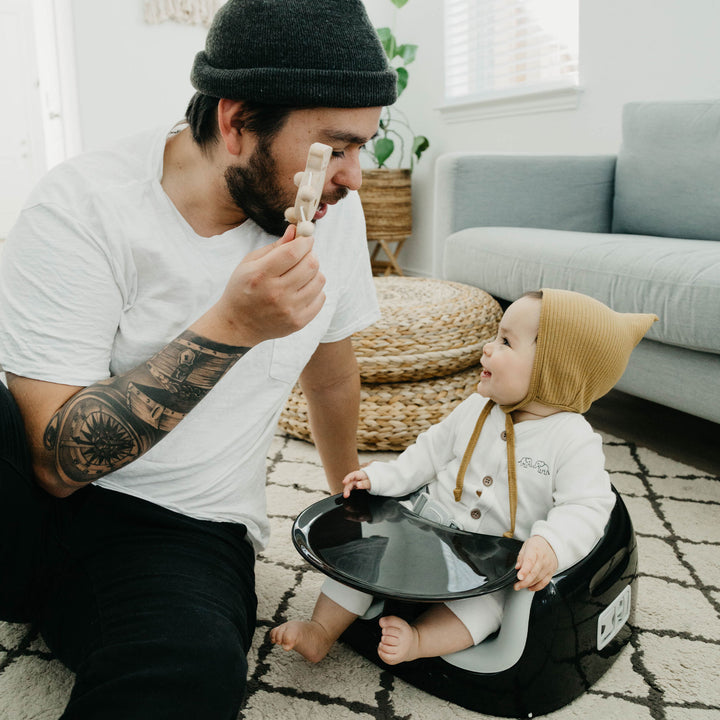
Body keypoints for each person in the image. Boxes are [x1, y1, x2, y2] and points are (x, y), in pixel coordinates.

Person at [0, 1, 397, 718]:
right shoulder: (83, 207)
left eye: (365, 146)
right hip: (28, 506)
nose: (355, 176)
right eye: (335, 149)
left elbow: (331, 370)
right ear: (237, 122)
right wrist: (231, 327)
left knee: (187, 671)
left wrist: (355, 512)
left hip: (176, 527)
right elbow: (51, 465)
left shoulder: (332, 217)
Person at [271, 289, 658, 665]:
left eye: (506, 341)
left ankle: (420, 640)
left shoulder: (572, 440)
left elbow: (587, 507)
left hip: (490, 562)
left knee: (487, 610)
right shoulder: (476, 407)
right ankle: (321, 630)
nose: (488, 348)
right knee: (362, 555)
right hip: (426, 529)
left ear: (554, 369)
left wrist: (549, 545)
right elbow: (429, 452)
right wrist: (384, 478)